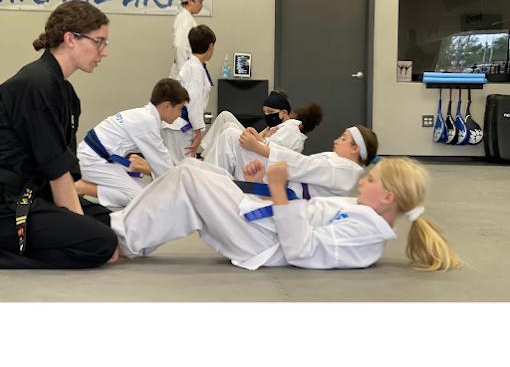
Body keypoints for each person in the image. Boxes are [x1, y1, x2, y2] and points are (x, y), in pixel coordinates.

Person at [110, 156, 461, 271]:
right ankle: (125, 233)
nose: (361, 181)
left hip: (266, 245)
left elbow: (300, 250)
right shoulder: (362, 212)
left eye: (370, 180)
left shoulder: (365, 238)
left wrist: (278, 190)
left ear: (387, 196)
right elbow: (303, 212)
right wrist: (260, 183)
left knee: (189, 178)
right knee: (196, 169)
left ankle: (117, 239)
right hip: (267, 228)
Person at [0, 1, 119, 269]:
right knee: (100, 242)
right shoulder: (36, 84)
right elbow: (56, 173)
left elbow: (64, 172)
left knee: (108, 222)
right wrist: (85, 231)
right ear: (70, 39)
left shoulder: (65, 92)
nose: (104, 52)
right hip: (8, 202)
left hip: (34, 193)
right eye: (99, 42)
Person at [75, 78, 190, 208]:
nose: (179, 115)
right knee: (140, 200)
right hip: (93, 160)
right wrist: (183, 187)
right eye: (180, 109)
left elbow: (161, 162)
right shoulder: (147, 122)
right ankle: (82, 187)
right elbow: (162, 163)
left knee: (144, 188)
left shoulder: (144, 116)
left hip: (96, 155)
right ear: (167, 106)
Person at [203, 124, 378, 198]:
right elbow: (300, 161)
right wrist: (261, 142)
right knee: (231, 132)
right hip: (280, 179)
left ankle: (207, 189)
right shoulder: (338, 162)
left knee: (230, 136)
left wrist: (261, 149)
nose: (336, 140)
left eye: (343, 138)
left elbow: (303, 165)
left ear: (355, 149)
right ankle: (208, 185)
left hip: (282, 191)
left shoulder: (346, 170)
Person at [200, 89, 323, 156]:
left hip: (257, 155)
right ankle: (207, 154)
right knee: (227, 120)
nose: (267, 115)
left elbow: (268, 149)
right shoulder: (277, 126)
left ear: (285, 113)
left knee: (229, 129)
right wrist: (262, 135)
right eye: (265, 112)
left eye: (270, 112)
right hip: (256, 148)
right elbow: (262, 140)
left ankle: (207, 156)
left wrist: (261, 137)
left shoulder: (290, 129)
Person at [162, 24, 216, 159]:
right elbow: (193, 102)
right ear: (210, 46)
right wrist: (198, 132)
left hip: (178, 126)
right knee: (181, 166)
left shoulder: (192, 66)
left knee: (178, 165)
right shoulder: (195, 69)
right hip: (180, 127)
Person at [169, 0, 205, 79]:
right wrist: (184, 72)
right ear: (190, 1)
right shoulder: (184, 19)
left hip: (188, 68)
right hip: (183, 71)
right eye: (200, 2)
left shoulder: (187, 17)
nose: (202, 5)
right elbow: (180, 46)